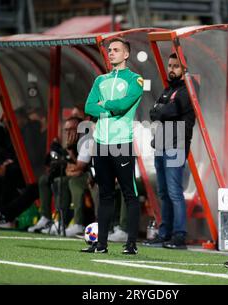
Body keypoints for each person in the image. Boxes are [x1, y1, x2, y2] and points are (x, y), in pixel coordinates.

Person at [81, 37, 143, 254]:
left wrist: (104, 105)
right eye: (109, 50)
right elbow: (89, 106)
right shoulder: (100, 80)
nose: (111, 53)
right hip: (101, 143)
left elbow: (124, 105)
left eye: (116, 50)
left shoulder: (136, 80)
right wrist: (110, 108)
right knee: (104, 195)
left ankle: (131, 245)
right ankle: (101, 245)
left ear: (126, 54)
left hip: (121, 143)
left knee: (129, 194)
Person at [143, 52, 195, 249]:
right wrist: (161, 110)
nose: (171, 69)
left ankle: (179, 235)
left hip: (176, 145)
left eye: (176, 66)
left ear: (185, 69)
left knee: (174, 192)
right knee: (163, 192)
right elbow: (154, 111)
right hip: (161, 144)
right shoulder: (168, 89)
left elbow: (164, 111)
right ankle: (165, 233)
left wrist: (161, 110)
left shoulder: (187, 90)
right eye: (170, 65)